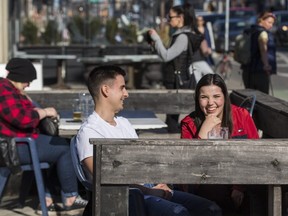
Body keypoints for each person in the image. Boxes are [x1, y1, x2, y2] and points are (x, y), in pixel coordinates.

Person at [76, 65, 222, 216]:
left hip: (148, 187)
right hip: (126, 198)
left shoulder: (124, 123)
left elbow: (141, 162)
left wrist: (159, 183)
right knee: (179, 213)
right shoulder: (89, 131)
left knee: (211, 209)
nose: (126, 94)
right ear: (106, 90)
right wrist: (150, 190)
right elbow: (105, 177)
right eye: (122, 88)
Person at [0, 58, 87, 212]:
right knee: (64, 148)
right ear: (21, 77)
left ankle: (46, 198)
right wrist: (45, 112)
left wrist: (33, 104)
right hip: (14, 146)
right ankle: (70, 197)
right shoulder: (4, 90)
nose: (29, 84)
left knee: (56, 145)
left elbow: (27, 112)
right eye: (28, 80)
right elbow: (23, 119)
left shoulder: (12, 90)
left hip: (18, 142)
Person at [180, 73, 264, 214]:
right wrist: (204, 131)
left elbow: (256, 155)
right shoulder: (189, 123)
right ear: (197, 99)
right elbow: (187, 166)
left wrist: (239, 187)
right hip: (204, 182)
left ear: (225, 97)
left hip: (241, 178)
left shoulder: (241, 116)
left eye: (216, 96)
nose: (210, 103)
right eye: (204, 97)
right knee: (215, 191)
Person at [148, 4, 204, 133]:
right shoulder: (182, 35)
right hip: (177, 78)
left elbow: (167, 56)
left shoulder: (183, 37)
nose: (168, 20)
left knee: (172, 116)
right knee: (172, 114)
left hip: (176, 80)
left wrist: (156, 39)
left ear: (180, 18)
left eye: (170, 17)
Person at [242, 11, 277, 94]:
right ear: (261, 20)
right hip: (260, 72)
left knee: (249, 98)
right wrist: (266, 65)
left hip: (247, 70)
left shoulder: (249, 31)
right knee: (263, 99)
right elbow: (263, 50)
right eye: (269, 22)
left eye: (272, 23)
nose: (271, 25)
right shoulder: (263, 33)